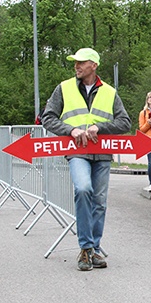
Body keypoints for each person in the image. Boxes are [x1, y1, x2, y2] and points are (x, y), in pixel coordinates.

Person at [40, 47, 131, 271]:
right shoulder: (64, 88)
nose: (76, 66)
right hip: (77, 151)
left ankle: (94, 250)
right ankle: (85, 247)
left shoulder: (110, 92)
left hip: (101, 154)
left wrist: (100, 127)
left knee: (99, 202)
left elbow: (125, 123)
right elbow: (47, 117)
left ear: (94, 65)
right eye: (75, 62)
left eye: (81, 62)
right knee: (83, 189)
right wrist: (70, 130)